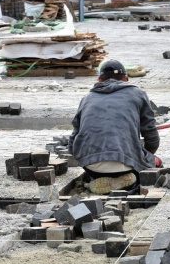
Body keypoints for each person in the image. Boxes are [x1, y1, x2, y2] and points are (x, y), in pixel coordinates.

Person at [68, 59, 161, 194]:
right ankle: (131, 181)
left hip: (91, 164)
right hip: (126, 164)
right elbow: (151, 136)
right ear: (126, 78)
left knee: (93, 169)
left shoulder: (87, 98)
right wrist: (146, 157)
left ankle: (94, 179)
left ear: (99, 79)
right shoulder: (138, 94)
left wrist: (80, 156)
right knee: (156, 162)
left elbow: (73, 140)